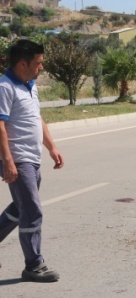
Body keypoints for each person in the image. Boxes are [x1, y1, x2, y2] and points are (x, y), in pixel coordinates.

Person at [0, 39, 64, 282]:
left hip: (32, 157)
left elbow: (37, 119)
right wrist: (8, 161)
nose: (42, 67)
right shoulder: (5, 87)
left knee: (21, 208)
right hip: (18, 159)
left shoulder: (30, 85)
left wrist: (51, 147)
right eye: (38, 63)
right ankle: (34, 265)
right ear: (23, 63)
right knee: (32, 211)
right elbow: (0, 126)